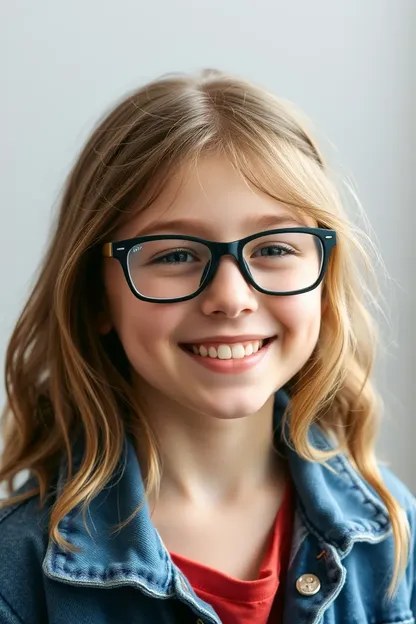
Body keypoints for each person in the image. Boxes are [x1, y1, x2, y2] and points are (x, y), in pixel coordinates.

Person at [0, 69, 414, 624]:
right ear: (96, 298)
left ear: (324, 278)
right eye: (174, 255)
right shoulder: (19, 568)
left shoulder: (389, 527)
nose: (231, 297)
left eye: (273, 247)